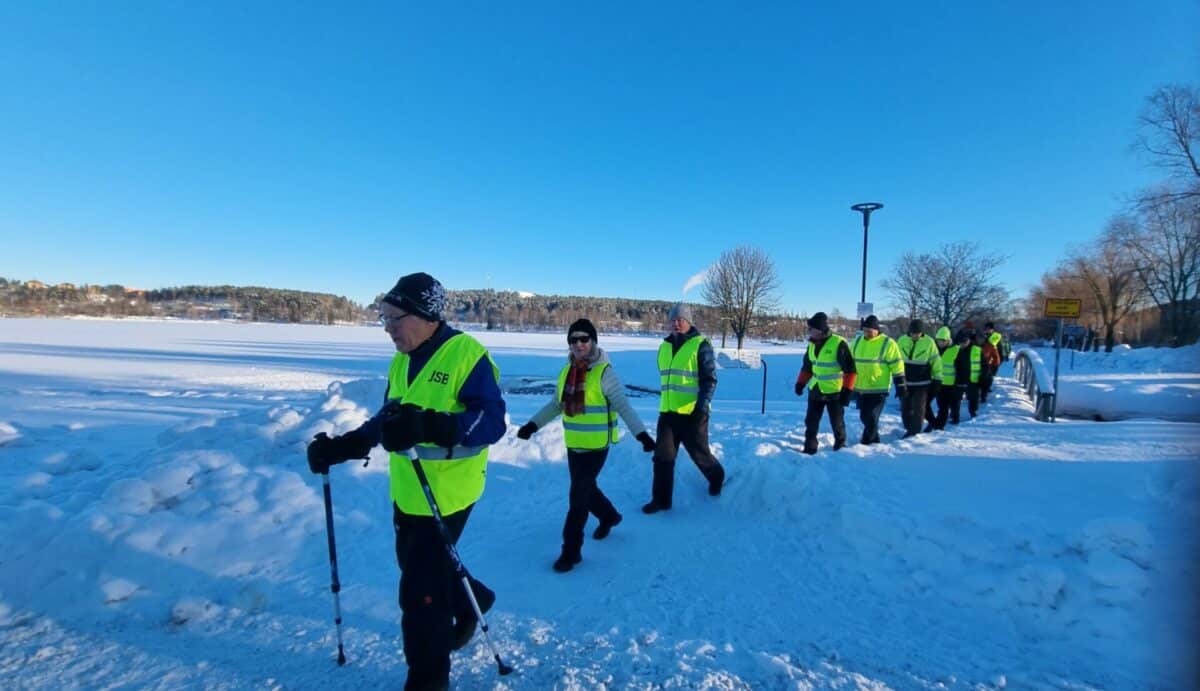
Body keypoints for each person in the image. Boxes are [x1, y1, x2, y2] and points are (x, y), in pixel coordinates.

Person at [305, 272, 505, 691]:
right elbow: (388, 420)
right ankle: (475, 598)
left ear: (426, 315)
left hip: (449, 494)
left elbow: (491, 421)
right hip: (409, 492)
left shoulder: (467, 355)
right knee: (418, 568)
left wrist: (431, 424)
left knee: (420, 599)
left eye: (395, 317)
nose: (388, 328)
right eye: (383, 317)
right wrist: (343, 447)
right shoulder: (401, 360)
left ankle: (428, 680)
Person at [515, 318, 655, 572]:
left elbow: (624, 407)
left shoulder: (605, 373)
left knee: (577, 498)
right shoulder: (566, 371)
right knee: (586, 490)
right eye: (573, 340)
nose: (578, 344)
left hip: (596, 447)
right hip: (574, 445)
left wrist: (642, 436)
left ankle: (571, 552)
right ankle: (609, 516)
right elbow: (557, 405)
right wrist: (533, 425)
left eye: (583, 339)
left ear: (593, 341)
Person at [642, 303, 725, 514]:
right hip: (668, 413)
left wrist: (701, 408)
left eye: (680, 320)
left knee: (700, 454)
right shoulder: (664, 347)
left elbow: (710, 381)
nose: (676, 324)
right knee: (663, 458)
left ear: (689, 322)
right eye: (673, 320)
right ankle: (661, 500)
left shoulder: (700, 345)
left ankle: (716, 477)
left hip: (693, 413)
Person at [794, 311, 856, 454]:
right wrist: (800, 383)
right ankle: (810, 447)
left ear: (820, 330)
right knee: (811, 422)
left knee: (837, 423)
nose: (808, 331)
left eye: (811, 329)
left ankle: (840, 446)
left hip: (835, 391)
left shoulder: (838, 343)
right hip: (815, 389)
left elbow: (850, 370)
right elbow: (807, 366)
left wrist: (847, 392)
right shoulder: (811, 344)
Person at [849, 315, 906, 445]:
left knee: (870, 416)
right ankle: (873, 439)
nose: (866, 333)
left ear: (877, 330)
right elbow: (849, 361)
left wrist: (901, 385)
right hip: (860, 387)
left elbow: (897, 365)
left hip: (878, 388)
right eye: (865, 330)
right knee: (865, 416)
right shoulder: (857, 342)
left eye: (869, 331)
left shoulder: (888, 343)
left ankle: (869, 442)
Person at [896, 319, 941, 438]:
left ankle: (913, 433)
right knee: (905, 409)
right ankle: (909, 427)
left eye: (918, 333)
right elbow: (896, 359)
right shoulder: (901, 340)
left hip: (922, 383)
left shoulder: (929, 342)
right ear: (909, 332)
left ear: (922, 333)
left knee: (919, 409)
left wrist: (937, 378)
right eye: (913, 333)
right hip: (906, 382)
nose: (915, 335)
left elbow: (936, 361)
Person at [927, 326, 961, 431]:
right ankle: (936, 423)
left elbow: (960, 368)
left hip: (950, 384)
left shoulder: (956, 350)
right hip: (937, 382)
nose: (939, 343)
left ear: (947, 340)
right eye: (938, 341)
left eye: (941, 341)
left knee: (944, 406)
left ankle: (939, 425)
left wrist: (959, 384)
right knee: (938, 404)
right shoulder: (936, 350)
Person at [955, 329, 983, 419]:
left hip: (973, 379)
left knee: (973, 397)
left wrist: (983, 377)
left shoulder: (977, 350)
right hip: (959, 377)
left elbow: (984, 364)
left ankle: (973, 413)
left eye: (964, 342)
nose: (962, 344)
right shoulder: (956, 350)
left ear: (968, 340)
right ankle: (955, 416)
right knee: (956, 398)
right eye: (960, 342)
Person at [976, 329, 1001, 403]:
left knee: (985, 383)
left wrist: (995, 367)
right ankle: (975, 395)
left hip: (987, 367)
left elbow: (996, 357)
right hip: (975, 367)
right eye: (978, 339)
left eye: (981, 338)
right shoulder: (973, 346)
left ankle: (983, 395)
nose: (979, 340)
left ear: (984, 338)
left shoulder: (990, 346)